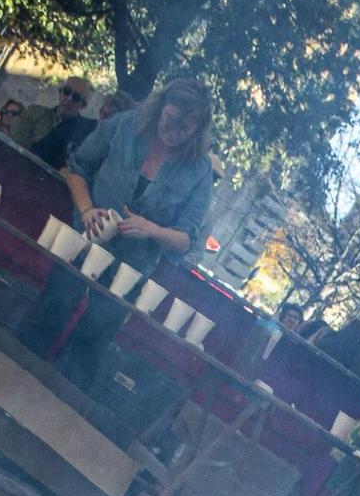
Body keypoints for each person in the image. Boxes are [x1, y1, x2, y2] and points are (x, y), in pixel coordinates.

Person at [19, 80, 215, 391]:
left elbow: (187, 238)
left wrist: (152, 230)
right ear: (159, 108)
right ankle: (7, 379)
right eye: (169, 120)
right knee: (52, 307)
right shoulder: (124, 126)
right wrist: (86, 210)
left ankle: (55, 406)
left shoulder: (200, 172)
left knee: (94, 336)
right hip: (85, 239)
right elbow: (78, 169)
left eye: (184, 128)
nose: (172, 131)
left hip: (132, 266)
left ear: (198, 131)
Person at [12, 76, 96, 164]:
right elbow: (16, 141)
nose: (69, 98)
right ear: (60, 92)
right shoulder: (34, 112)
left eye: (76, 97)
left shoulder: (83, 134)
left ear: (83, 105)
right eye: (66, 92)